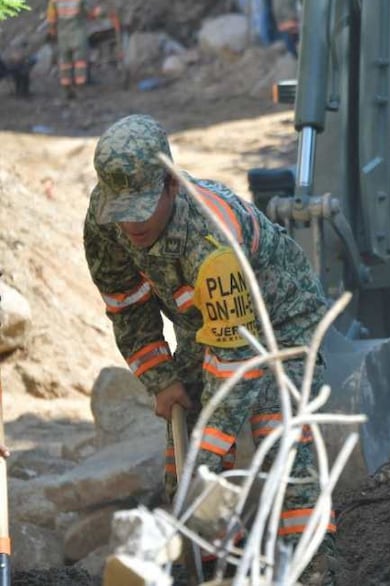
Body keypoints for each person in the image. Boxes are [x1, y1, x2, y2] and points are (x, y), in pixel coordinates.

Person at [82, 114, 337, 585]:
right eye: (121, 208)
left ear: (173, 186)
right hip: (206, 328)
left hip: (280, 320)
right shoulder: (107, 220)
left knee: (279, 436)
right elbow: (126, 303)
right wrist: (161, 378)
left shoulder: (211, 236)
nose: (131, 223)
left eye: (142, 206)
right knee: (185, 469)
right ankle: (217, 567)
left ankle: (314, 567)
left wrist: (209, 454)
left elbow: (237, 360)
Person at [46, 0, 96, 98]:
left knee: (65, 62)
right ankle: (80, 89)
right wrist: (97, 13)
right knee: (80, 61)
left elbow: (51, 18)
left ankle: (66, 88)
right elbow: (89, 13)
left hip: (63, 34)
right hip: (78, 32)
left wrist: (52, 32)